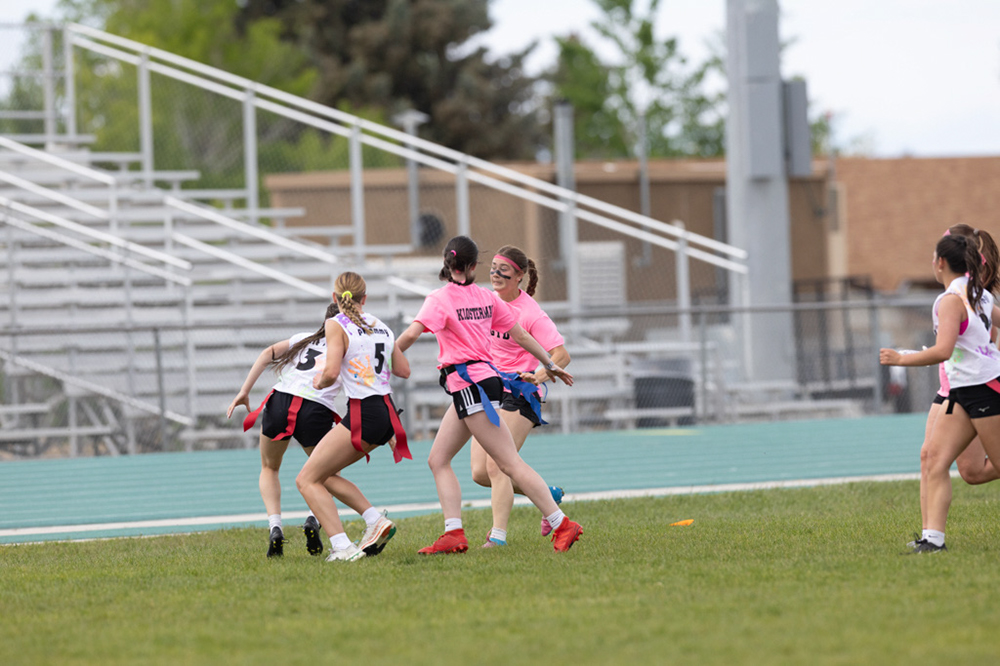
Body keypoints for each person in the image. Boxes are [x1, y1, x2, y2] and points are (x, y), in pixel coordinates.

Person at [395, 235, 583, 554]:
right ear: (474, 266)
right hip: (477, 385)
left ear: (447, 264)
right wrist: (551, 364)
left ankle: (560, 523)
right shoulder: (486, 297)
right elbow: (521, 336)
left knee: (505, 464)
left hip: (473, 385)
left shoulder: (439, 299)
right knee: (439, 459)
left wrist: (382, 359)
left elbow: (411, 335)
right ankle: (453, 533)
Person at [880, 231, 1000, 553]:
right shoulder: (976, 293)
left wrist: (900, 359)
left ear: (941, 262)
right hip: (960, 392)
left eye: (934, 257)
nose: (932, 262)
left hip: (985, 389)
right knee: (935, 459)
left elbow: (943, 351)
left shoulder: (951, 300)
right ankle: (933, 540)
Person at [227, 302, 361, 558]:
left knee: (269, 467)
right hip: (315, 408)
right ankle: (313, 519)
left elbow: (267, 353)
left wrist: (244, 391)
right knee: (326, 473)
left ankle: (275, 527)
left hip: (280, 401)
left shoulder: (303, 339)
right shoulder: (348, 351)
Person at [295, 271, 411, 562]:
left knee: (306, 480)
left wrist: (319, 383)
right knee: (324, 475)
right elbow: (403, 370)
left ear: (335, 297)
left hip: (364, 412)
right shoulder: (381, 325)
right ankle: (374, 520)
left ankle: (342, 546)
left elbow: (331, 371)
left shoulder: (335, 323)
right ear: (365, 298)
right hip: (387, 413)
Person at [469, 245, 571, 547]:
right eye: (493, 268)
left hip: (520, 392)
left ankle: (497, 537)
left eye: (504, 270)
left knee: (497, 464)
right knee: (479, 473)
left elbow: (561, 355)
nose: (495, 274)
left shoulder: (530, 313)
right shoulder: (485, 302)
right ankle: (545, 494)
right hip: (489, 390)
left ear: (519, 276)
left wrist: (537, 376)